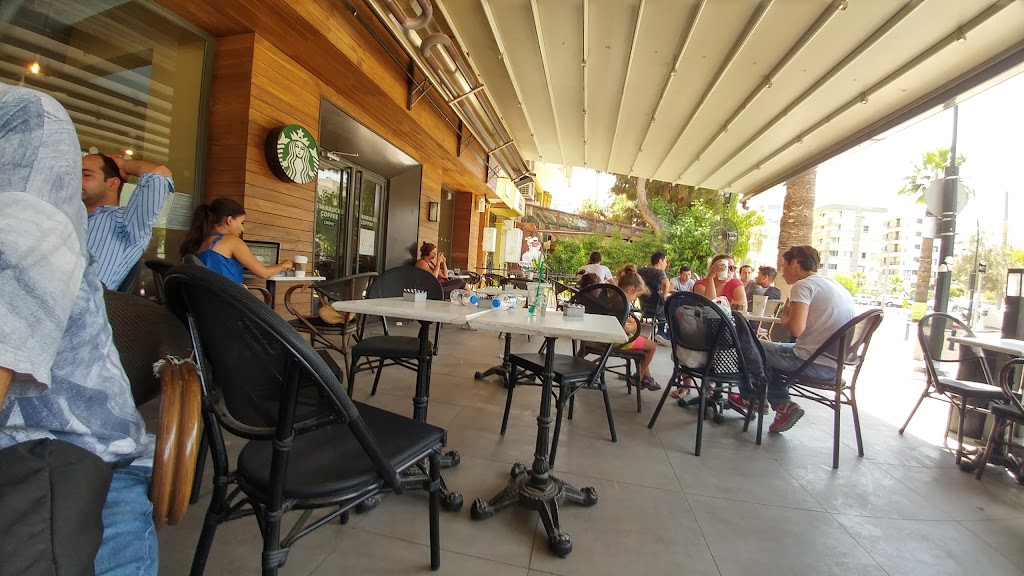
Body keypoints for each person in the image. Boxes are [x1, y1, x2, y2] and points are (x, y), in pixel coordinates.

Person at [0, 86, 158, 573]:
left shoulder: (122, 224)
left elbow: (160, 177)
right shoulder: (76, 220)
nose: (76, 176)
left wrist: (123, 164)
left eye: (87, 172)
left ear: (112, 184)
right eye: (76, 169)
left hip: (66, 434)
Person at [729, 245, 856, 433]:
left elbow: (795, 329)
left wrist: (785, 315)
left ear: (795, 263)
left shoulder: (804, 285)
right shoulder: (837, 286)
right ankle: (779, 405)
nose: (782, 272)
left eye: (784, 266)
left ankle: (754, 398)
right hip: (834, 367)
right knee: (762, 351)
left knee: (746, 346)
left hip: (809, 363)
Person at [81, 152, 173, 290]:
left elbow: (159, 173)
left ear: (113, 184)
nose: (76, 179)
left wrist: (124, 165)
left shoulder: (126, 222)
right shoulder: (70, 219)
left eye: (86, 175)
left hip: (80, 299)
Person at [179, 198, 293, 283]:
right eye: (242, 222)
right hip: (228, 302)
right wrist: (283, 265)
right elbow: (264, 273)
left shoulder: (198, 241)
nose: (243, 229)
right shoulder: (232, 241)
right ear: (230, 220)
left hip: (205, 302)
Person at [616, 265, 661, 391]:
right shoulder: (624, 303)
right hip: (620, 341)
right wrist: (635, 325)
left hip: (609, 337)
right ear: (631, 290)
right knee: (652, 346)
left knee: (643, 342)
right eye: (636, 295)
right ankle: (639, 376)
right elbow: (625, 329)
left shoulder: (615, 297)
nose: (635, 298)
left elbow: (618, 320)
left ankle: (647, 377)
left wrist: (629, 321)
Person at [638, 251, 672, 345]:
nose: (666, 264)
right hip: (658, 309)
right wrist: (664, 294)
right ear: (660, 261)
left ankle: (659, 333)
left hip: (644, 307)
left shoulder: (641, 271)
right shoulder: (659, 272)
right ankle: (663, 333)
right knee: (674, 307)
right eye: (665, 261)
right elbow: (666, 283)